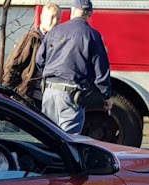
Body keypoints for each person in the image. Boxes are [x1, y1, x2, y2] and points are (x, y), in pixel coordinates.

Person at [35, 0, 111, 134]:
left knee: (47, 137)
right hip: (71, 94)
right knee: (69, 140)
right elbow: (101, 69)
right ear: (90, 14)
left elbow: (40, 60)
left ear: (72, 11)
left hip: (49, 92)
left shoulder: (55, 31)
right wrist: (105, 95)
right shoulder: (93, 35)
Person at [2, 3, 59, 108]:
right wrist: (7, 92)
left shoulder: (56, 42)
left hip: (47, 99)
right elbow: (13, 64)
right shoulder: (32, 39)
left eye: (57, 18)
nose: (55, 21)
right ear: (42, 17)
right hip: (28, 96)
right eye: (52, 17)